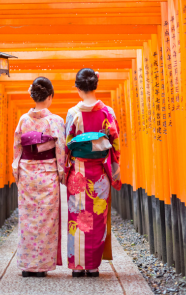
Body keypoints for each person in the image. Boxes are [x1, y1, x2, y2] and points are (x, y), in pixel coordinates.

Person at [64, 68, 122, 278]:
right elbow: (114, 146)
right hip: (99, 175)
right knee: (97, 218)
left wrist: (64, 170)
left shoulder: (73, 113)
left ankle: (77, 266)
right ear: (96, 85)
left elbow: (67, 144)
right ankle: (93, 266)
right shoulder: (108, 112)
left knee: (77, 216)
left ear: (78, 88)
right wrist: (114, 170)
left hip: (78, 173)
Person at [12, 77, 65, 277]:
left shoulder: (23, 120)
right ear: (50, 97)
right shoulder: (56, 121)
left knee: (27, 217)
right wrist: (62, 173)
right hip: (48, 172)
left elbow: (17, 147)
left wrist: (16, 170)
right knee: (46, 218)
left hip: (26, 172)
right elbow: (60, 149)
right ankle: (41, 266)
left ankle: (27, 265)